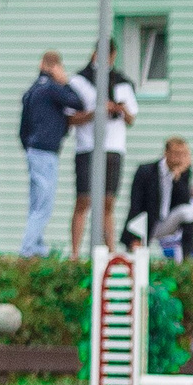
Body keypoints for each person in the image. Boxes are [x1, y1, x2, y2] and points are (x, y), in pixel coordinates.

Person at [17, 52, 87, 257]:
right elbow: (78, 102)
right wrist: (65, 82)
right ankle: (29, 248)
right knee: (43, 205)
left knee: (36, 201)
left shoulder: (33, 90)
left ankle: (37, 246)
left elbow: (23, 127)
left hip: (33, 149)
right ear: (55, 67)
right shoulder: (52, 89)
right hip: (46, 150)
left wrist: (27, 145)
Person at [69, 51, 137, 255]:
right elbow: (70, 117)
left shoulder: (123, 83)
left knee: (108, 201)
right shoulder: (79, 81)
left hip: (113, 147)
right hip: (87, 146)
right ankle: (75, 253)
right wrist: (97, 111)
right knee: (84, 199)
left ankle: (110, 251)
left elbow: (131, 119)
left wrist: (120, 109)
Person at [125, 137, 193, 257]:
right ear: (166, 153)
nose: (180, 158)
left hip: (169, 221)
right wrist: (135, 236)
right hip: (148, 220)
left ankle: (186, 257)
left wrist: (178, 178)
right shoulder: (146, 171)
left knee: (190, 211)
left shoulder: (184, 172)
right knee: (136, 252)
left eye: (183, 154)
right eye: (176, 153)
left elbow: (184, 202)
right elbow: (136, 203)